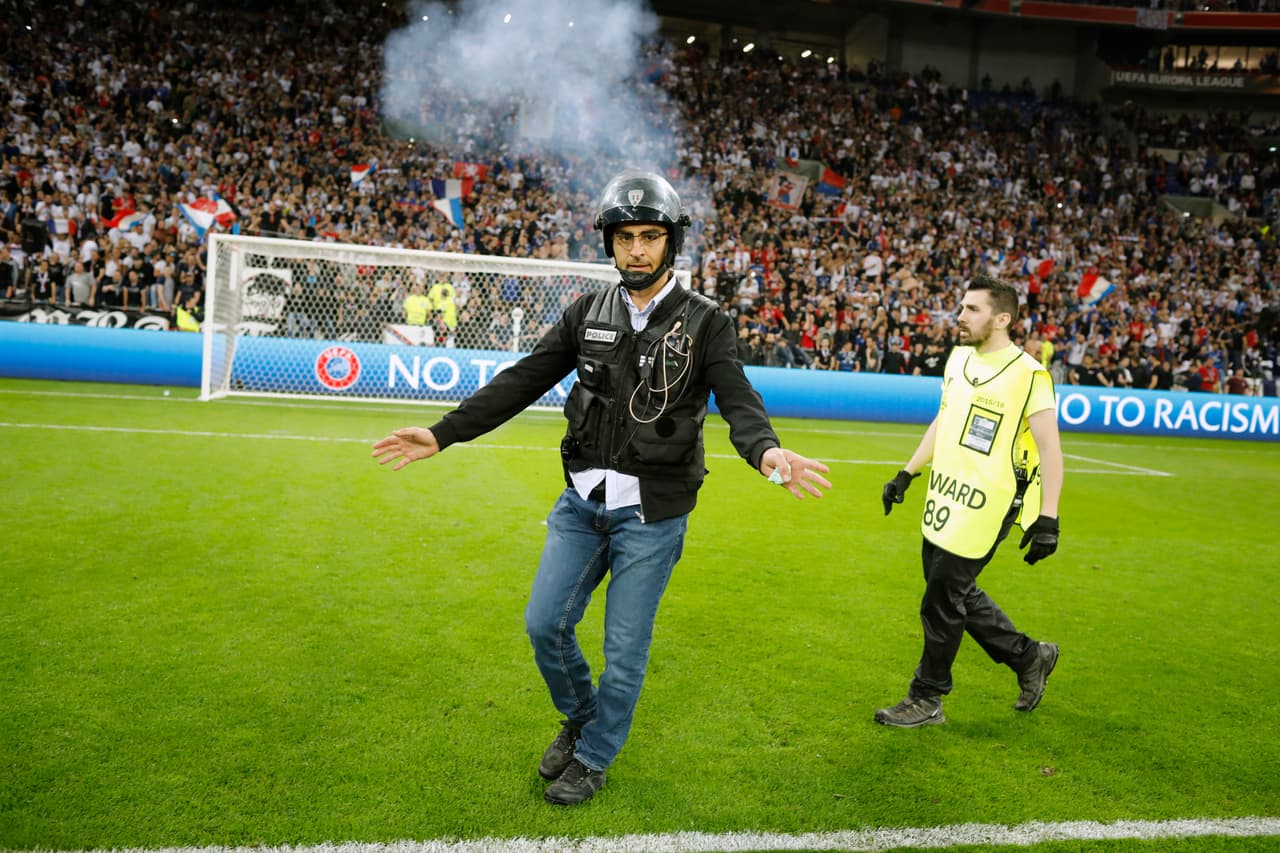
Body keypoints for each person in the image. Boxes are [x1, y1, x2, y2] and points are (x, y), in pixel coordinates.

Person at [372, 170, 831, 805]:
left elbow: (739, 401)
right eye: (625, 237)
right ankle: (582, 715)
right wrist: (444, 433)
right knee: (544, 625)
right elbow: (524, 379)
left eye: (650, 236)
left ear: (672, 242)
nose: (637, 249)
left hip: (653, 514)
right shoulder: (587, 313)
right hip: (580, 505)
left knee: (624, 650)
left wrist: (766, 450)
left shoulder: (706, 323)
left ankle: (592, 756)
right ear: (609, 244)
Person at [877, 274, 1064, 727]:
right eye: (961, 307)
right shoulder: (958, 359)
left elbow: (1051, 448)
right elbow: (944, 421)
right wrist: (907, 472)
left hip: (991, 503)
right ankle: (1029, 657)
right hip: (946, 494)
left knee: (940, 600)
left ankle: (927, 697)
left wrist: (1048, 517)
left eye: (972, 310)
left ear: (1002, 318)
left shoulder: (1029, 375)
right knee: (953, 591)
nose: (960, 316)